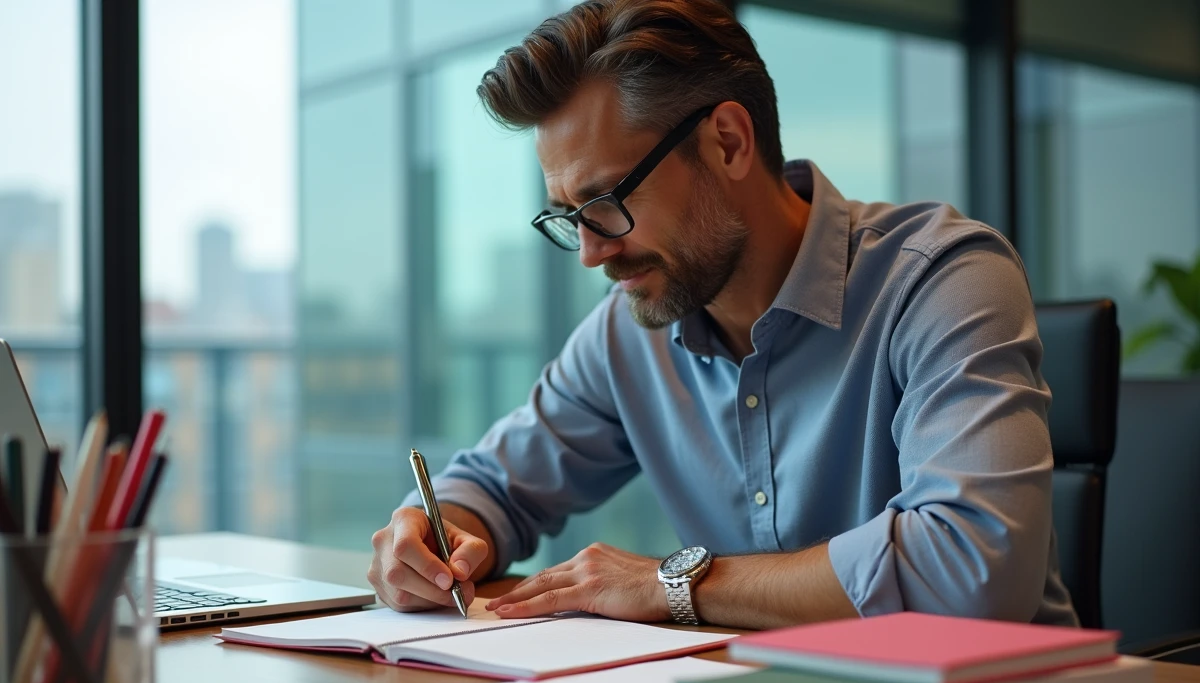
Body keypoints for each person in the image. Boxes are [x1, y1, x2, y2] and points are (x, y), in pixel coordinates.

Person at [367, 0, 1078, 630]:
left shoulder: (940, 279)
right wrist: (434, 536)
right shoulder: (629, 330)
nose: (590, 253)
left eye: (608, 200)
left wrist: (669, 584)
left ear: (729, 142)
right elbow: (492, 488)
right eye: (567, 217)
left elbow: (974, 569)